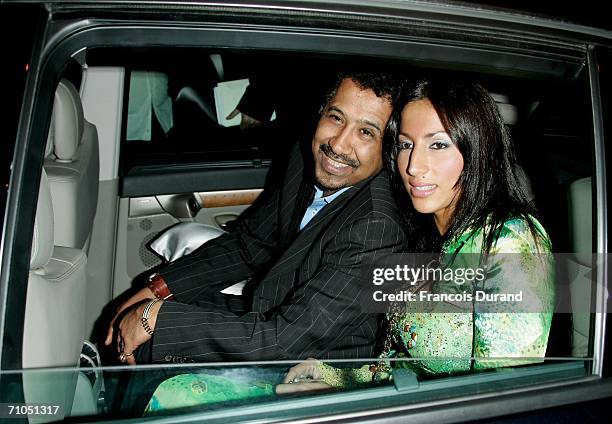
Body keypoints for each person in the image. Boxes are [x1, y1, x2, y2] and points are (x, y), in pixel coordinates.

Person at [105, 72, 408, 369]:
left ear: (390, 147)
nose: (339, 145)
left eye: (366, 132)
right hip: (270, 314)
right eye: (336, 118)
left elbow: (283, 343)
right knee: (142, 338)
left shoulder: (378, 227)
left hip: (318, 367)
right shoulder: (306, 159)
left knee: (154, 340)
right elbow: (252, 244)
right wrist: (159, 289)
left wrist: (156, 318)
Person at [276, 76, 556, 391]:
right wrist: (335, 377)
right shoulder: (428, 234)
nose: (413, 166)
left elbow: (504, 396)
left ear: (478, 148)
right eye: (406, 145)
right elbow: (401, 367)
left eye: (438, 144)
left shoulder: (509, 241)